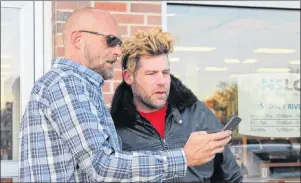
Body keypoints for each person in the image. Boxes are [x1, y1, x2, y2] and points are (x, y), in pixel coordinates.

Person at [19, 7, 232, 182]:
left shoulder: (80, 87)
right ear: (77, 40)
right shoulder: (66, 84)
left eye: (165, 72)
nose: (118, 51)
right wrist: (184, 157)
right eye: (111, 40)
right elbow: (102, 166)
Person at [110, 27, 243, 182]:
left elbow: (232, 175)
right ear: (128, 77)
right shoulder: (114, 129)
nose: (161, 81)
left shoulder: (197, 114)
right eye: (151, 73)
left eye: (165, 72)